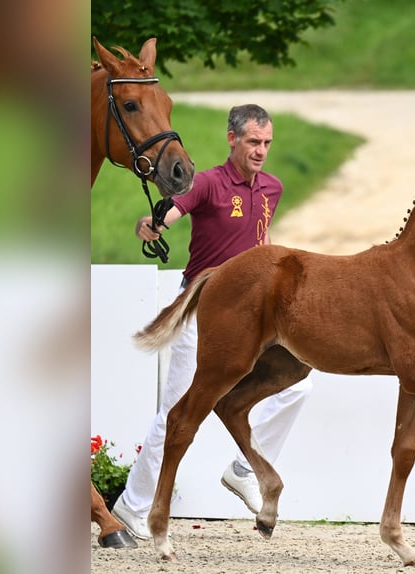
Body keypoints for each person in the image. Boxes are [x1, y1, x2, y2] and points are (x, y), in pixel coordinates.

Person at [112, 104, 313, 539]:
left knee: (298, 384)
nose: (261, 151)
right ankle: (132, 506)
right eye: (253, 142)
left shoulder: (272, 188)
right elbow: (171, 212)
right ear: (232, 139)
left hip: (256, 318)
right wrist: (153, 224)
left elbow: (263, 244)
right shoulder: (207, 183)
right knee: (178, 410)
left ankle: (246, 467)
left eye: (266, 143)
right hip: (203, 309)